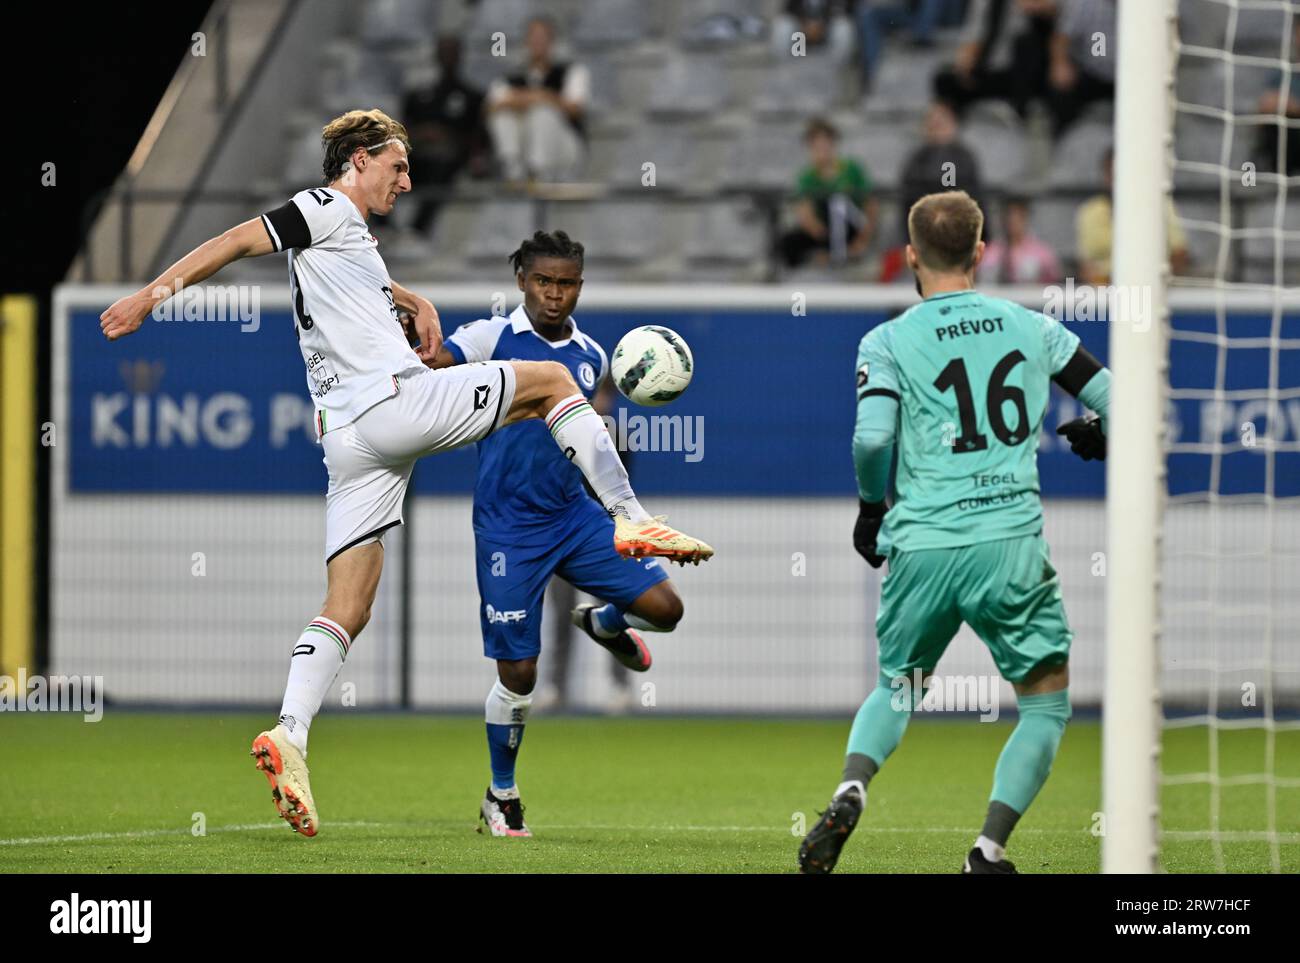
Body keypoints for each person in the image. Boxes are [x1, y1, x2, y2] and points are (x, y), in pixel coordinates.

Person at [98, 109, 713, 839]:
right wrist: (150, 295)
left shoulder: (345, 237)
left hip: (349, 442)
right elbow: (237, 239)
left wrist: (412, 298)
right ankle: (629, 513)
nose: (407, 180)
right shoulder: (325, 204)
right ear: (357, 160)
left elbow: (359, 286)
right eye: (397, 166)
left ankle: (291, 731)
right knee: (551, 380)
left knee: (348, 602)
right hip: (391, 404)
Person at [797, 189, 1111, 874]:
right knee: (1046, 704)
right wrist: (1100, 432)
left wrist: (870, 507)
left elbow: (874, 434)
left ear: (911, 255)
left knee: (899, 686)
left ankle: (851, 785)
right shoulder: (1032, 326)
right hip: (1008, 543)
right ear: (980, 250)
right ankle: (986, 851)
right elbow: (1117, 394)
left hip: (923, 542)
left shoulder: (885, 339)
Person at [425, 231, 687, 836]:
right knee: (520, 676)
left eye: (566, 283)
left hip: (574, 518)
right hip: (508, 529)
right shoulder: (492, 337)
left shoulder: (595, 356)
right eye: (543, 281)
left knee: (666, 609)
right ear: (522, 280)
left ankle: (606, 621)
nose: (554, 294)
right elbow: (442, 359)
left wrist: (623, 515)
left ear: (579, 287)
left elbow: (589, 443)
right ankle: (502, 793)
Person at [400, 35, 489, 234]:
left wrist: (447, 136)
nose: (447, 57)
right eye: (443, 52)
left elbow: (477, 137)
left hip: (451, 157)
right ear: (436, 56)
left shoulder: (473, 96)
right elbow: (402, 132)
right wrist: (424, 134)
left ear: (460, 56)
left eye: (452, 52)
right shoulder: (417, 96)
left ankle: (417, 230)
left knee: (442, 165)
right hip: (419, 153)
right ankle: (381, 228)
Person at [485, 16, 589, 184]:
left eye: (543, 37)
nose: (537, 42)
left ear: (552, 42)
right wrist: (539, 97)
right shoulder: (509, 78)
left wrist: (539, 99)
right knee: (503, 116)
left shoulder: (572, 71)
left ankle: (539, 173)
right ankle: (513, 169)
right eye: (533, 37)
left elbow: (575, 108)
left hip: (563, 148)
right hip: (524, 144)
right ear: (525, 42)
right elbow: (493, 106)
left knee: (542, 112)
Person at [1075, 146, 1188, 284]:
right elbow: (1086, 265)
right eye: (1111, 173)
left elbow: (1179, 254)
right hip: (1104, 292)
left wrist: (1153, 282)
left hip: (1154, 287)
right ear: (1105, 176)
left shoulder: (1161, 206)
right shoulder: (1091, 211)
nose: (1117, 178)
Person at [779, 117, 879, 268]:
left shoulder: (851, 169)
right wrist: (821, 237)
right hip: (827, 230)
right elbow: (805, 213)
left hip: (851, 226)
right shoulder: (808, 176)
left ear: (833, 144)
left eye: (825, 145)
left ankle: (838, 255)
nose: (822, 151)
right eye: (816, 146)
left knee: (837, 203)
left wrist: (861, 240)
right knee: (789, 241)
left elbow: (870, 206)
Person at [932, 0, 1057, 119]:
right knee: (944, 78)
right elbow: (973, 31)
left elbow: (1057, 16)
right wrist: (964, 63)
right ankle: (950, 122)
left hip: (1023, 71)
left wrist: (1036, 7)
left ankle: (1021, 107)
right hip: (990, 67)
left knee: (1026, 44)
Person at [1046, 0, 1116, 138]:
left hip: (1132, 78)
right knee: (1061, 87)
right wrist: (1060, 63)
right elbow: (1061, 37)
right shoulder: (1084, 3)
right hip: (1091, 73)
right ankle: (1064, 143)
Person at [977, 195, 1062, 284]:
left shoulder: (1042, 253)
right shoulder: (991, 252)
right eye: (1009, 216)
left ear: (1026, 217)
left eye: (1018, 216)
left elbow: (1054, 282)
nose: (1013, 221)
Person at [770, 0, 856, 62]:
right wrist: (804, 25)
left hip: (826, 29)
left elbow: (840, 11)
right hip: (801, 31)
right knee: (782, 24)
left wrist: (822, 26)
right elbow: (789, 11)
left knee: (843, 26)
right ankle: (784, 63)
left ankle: (837, 66)